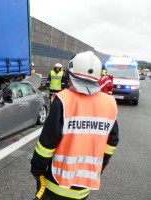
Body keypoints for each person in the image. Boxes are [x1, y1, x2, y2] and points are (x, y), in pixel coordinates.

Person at [31, 51, 119, 200]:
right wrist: (100, 166)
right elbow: (112, 142)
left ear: (69, 74)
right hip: (84, 187)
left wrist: (37, 169)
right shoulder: (110, 103)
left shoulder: (63, 100)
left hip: (55, 184)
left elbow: (47, 143)